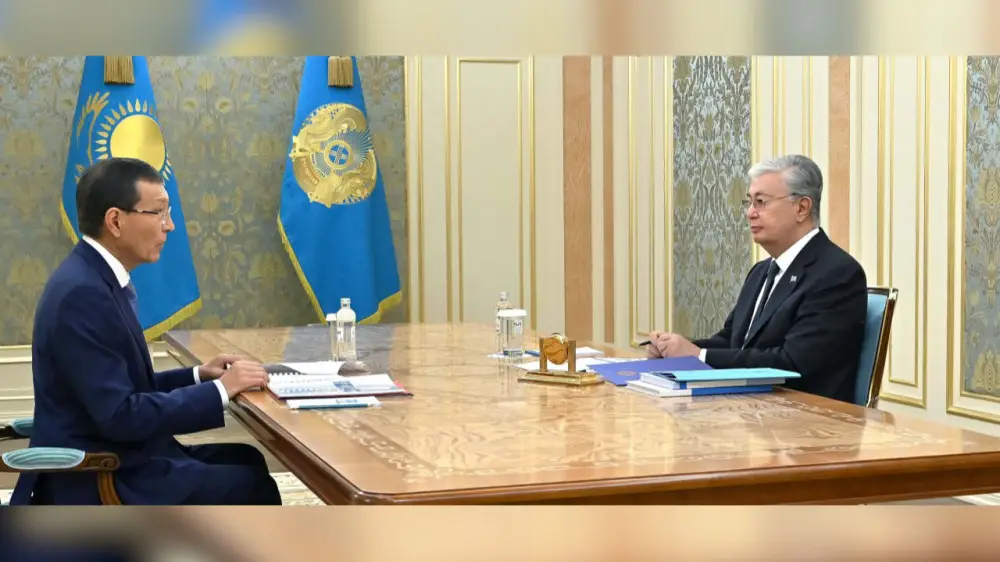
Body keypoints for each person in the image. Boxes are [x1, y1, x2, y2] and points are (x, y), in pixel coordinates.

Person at [9, 157, 281, 505]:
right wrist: (221, 390)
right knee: (249, 485)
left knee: (247, 460)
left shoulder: (95, 278)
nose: (170, 226)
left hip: (123, 454)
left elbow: (124, 387)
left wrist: (199, 376)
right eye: (159, 212)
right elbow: (121, 415)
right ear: (116, 221)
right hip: (99, 476)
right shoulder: (82, 294)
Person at [647, 154, 868, 403]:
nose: (750, 213)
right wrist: (674, 350)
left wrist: (699, 356)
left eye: (761, 202)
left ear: (802, 208)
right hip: (750, 410)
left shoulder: (836, 273)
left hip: (803, 417)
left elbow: (793, 363)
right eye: (749, 202)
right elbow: (732, 341)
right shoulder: (761, 271)